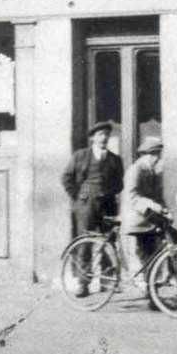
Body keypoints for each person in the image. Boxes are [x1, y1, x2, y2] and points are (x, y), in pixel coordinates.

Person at [61, 123, 124, 295]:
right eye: (100, 135)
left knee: (108, 242)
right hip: (86, 205)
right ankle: (83, 283)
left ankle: (107, 281)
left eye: (106, 135)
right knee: (85, 242)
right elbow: (66, 178)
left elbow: (120, 184)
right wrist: (79, 197)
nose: (104, 138)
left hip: (108, 205)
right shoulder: (81, 156)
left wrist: (108, 193)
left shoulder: (115, 159)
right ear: (93, 138)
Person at [123, 136, 170, 292]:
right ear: (147, 155)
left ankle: (154, 285)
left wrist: (165, 209)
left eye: (158, 155)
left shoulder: (152, 171)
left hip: (150, 218)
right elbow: (132, 196)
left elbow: (158, 196)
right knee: (147, 254)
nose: (157, 159)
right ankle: (150, 291)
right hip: (138, 219)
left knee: (162, 246)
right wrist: (153, 205)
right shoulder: (136, 170)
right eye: (155, 155)